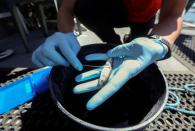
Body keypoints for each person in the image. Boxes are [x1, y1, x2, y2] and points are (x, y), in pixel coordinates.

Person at [32, 0, 187, 110]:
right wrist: (65, 34)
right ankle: (112, 42)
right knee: (83, 6)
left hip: (144, 12)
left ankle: (131, 40)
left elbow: (173, 14)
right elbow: (66, 8)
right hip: (106, 7)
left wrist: (159, 42)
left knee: (137, 44)